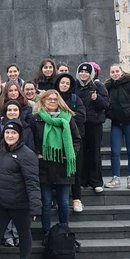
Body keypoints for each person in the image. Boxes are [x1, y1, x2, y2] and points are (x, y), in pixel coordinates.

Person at [0, 120, 41, 259]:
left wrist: (35, 206)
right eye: (7, 132)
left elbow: (32, 182)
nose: (10, 135)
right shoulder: (1, 150)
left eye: (14, 133)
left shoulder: (27, 154)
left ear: (20, 135)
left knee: (24, 235)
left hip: (19, 204)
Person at [30, 90, 80, 238]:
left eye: (55, 99)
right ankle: (46, 233)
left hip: (63, 166)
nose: (52, 101)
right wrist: (37, 153)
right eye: (49, 99)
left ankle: (64, 232)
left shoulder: (67, 118)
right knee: (45, 203)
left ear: (59, 102)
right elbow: (30, 140)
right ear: (43, 101)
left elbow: (76, 139)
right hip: (44, 166)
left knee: (64, 203)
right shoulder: (36, 119)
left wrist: (70, 154)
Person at [104, 64, 130, 190]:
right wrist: (110, 114)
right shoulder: (108, 87)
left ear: (121, 72)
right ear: (110, 74)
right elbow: (105, 104)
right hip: (116, 124)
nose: (115, 73)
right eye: (112, 72)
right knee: (115, 152)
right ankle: (116, 178)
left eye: (117, 71)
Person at [54, 73, 86, 213]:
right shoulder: (53, 98)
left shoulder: (75, 99)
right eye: (62, 82)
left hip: (73, 138)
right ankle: (58, 199)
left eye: (67, 83)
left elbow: (82, 116)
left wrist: (64, 115)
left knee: (75, 169)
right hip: (55, 140)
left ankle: (76, 199)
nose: (64, 85)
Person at [75, 62, 109, 194]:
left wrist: (97, 98)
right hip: (79, 125)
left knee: (94, 153)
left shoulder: (98, 86)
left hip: (94, 124)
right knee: (81, 153)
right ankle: (83, 180)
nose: (84, 74)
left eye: (87, 72)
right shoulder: (75, 86)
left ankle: (96, 182)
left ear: (91, 74)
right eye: (81, 72)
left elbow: (106, 104)